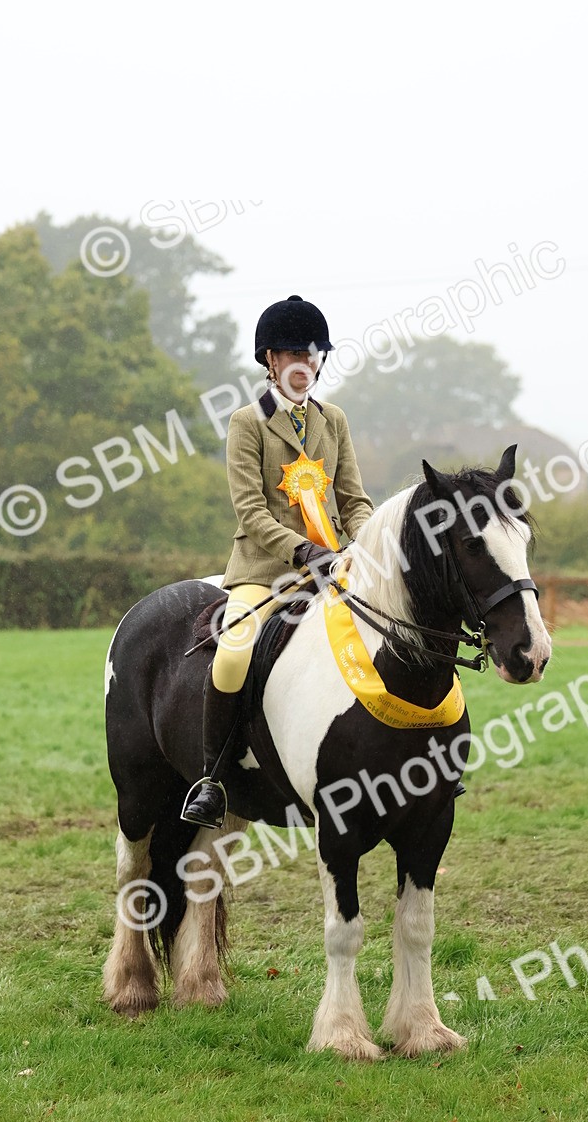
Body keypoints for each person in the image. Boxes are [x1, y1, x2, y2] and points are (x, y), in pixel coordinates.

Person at [182, 295, 374, 828]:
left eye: (311, 354)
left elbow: (354, 501)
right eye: (291, 353)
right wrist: (302, 550)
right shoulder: (249, 422)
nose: (302, 363)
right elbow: (250, 510)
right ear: (270, 360)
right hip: (266, 570)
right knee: (233, 654)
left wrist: (364, 543)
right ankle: (212, 780)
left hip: (336, 568)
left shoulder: (332, 421)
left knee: (393, 631)